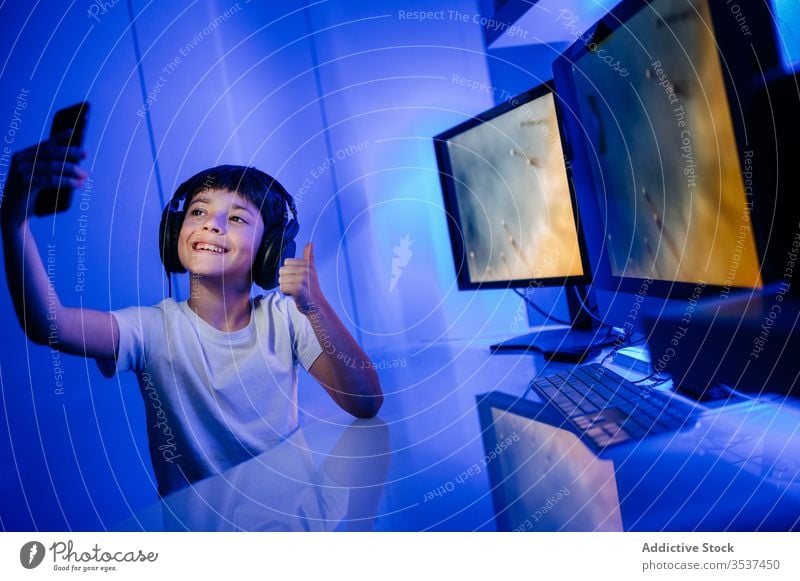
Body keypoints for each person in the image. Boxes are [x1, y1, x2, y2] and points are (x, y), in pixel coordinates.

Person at [1, 131, 383, 495]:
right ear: (174, 233)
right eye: (198, 211)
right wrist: (13, 219)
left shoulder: (285, 317)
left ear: (271, 249)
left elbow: (365, 402)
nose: (211, 225)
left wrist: (315, 307)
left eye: (236, 218)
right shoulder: (153, 330)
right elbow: (49, 325)